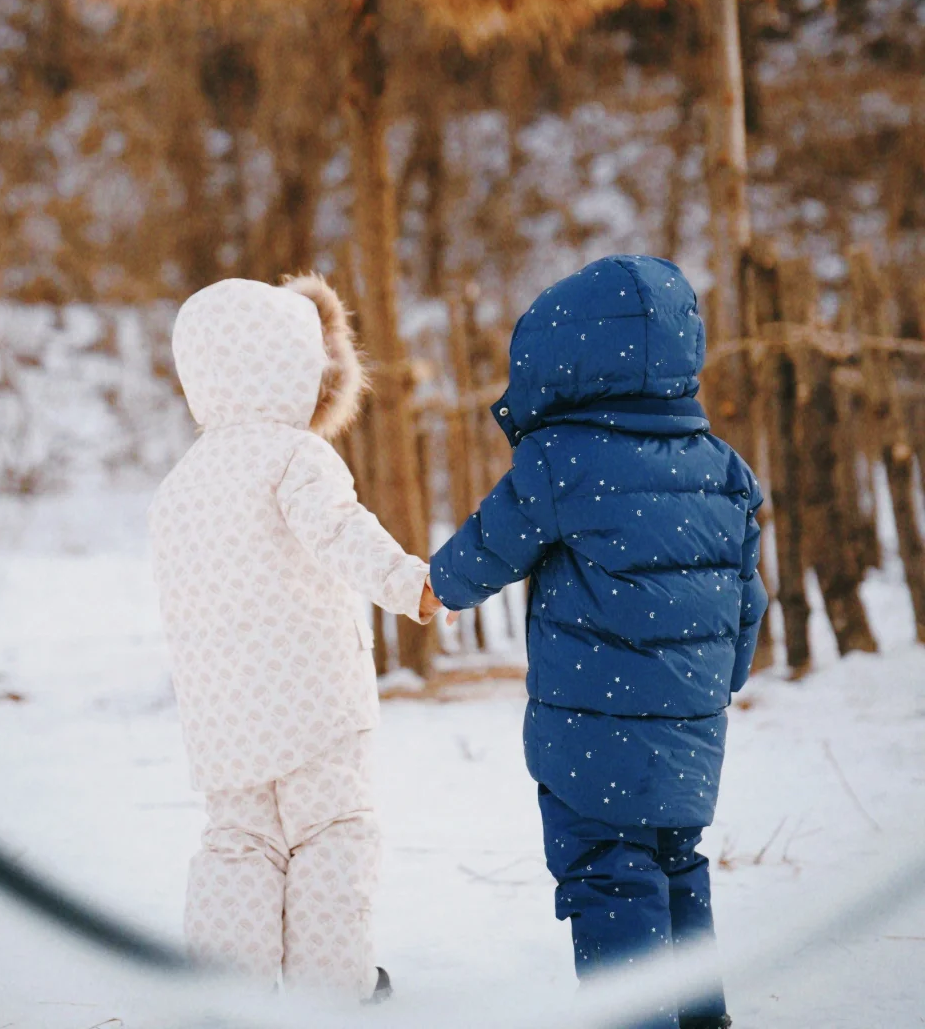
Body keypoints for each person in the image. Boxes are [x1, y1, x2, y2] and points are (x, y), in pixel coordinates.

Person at [429, 255, 766, 1029]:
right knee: (678, 873)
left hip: (591, 740)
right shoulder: (724, 470)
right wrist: (715, 681)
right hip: (690, 738)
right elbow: (749, 600)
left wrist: (440, 589)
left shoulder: (561, 462)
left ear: (559, 366)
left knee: (611, 886)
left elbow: (490, 545)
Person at [149, 274, 441, 1004]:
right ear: (297, 366)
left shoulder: (182, 481)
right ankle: (332, 992)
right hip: (312, 696)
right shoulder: (294, 456)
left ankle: (225, 997)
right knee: (330, 831)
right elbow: (342, 535)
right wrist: (411, 584)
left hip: (221, 709)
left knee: (237, 841)